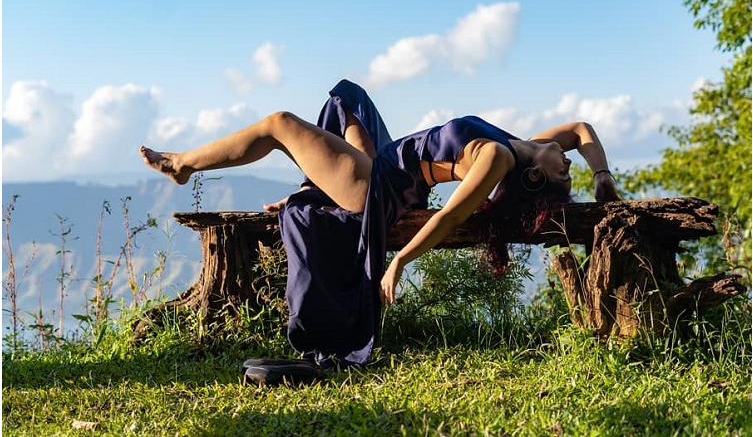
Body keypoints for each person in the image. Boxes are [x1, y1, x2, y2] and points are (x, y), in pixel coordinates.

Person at [140, 79, 619, 371]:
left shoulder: (496, 157)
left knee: (280, 123)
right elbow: (581, 130)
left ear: (532, 177)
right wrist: (602, 176)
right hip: (385, 161)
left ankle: (183, 165)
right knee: (348, 96)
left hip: (377, 187)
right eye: (569, 171)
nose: (569, 167)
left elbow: (451, 215)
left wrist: (400, 261)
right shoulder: (522, 145)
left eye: (564, 174)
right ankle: (316, 188)